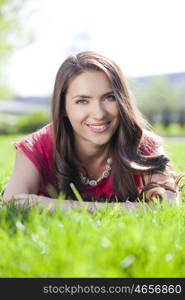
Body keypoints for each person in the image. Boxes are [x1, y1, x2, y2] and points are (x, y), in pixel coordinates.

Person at [2, 51, 185, 212]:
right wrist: (128, 208)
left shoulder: (142, 144)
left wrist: (43, 204)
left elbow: (168, 204)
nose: (99, 114)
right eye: (82, 100)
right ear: (63, 107)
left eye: (109, 97)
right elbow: (12, 201)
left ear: (123, 101)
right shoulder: (37, 147)